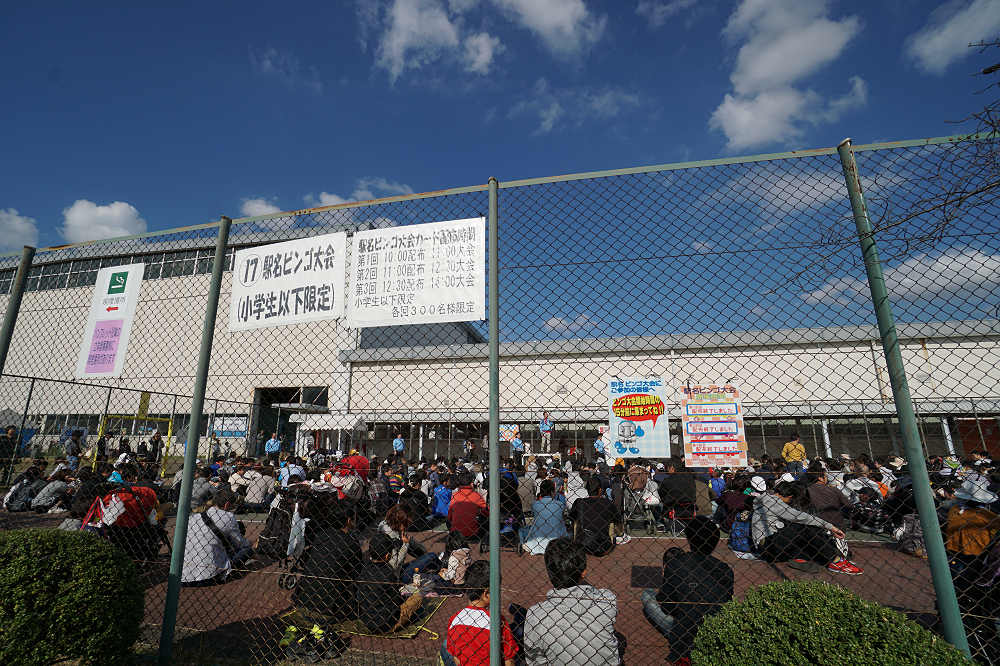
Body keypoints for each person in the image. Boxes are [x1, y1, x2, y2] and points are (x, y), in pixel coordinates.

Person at [642, 516, 734, 663]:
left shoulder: (675, 565)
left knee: (647, 595)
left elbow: (667, 606)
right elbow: (728, 602)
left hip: (682, 631)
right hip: (714, 627)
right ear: (715, 542)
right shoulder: (724, 569)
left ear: (689, 539)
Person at [520, 537, 622, 665]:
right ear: (584, 573)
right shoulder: (607, 600)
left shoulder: (535, 614)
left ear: (549, 572)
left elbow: (535, 660)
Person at [753, 481, 862, 575]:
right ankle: (835, 560)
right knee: (805, 526)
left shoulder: (768, 499)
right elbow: (800, 517)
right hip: (767, 546)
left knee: (807, 532)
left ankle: (805, 557)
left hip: (771, 545)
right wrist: (830, 527)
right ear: (790, 497)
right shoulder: (773, 502)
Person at [292, 499, 363, 622]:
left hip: (304, 600)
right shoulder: (351, 543)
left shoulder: (321, 535)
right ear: (348, 520)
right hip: (330, 607)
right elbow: (357, 573)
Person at [442, 560, 518, 666]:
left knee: (445, 645)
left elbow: (457, 660)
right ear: (486, 593)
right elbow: (509, 660)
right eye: (497, 590)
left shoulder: (455, 619)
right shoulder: (497, 621)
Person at [181, 490, 253, 585]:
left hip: (184, 576)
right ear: (227, 505)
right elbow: (240, 544)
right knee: (248, 549)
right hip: (211, 576)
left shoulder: (194, 517)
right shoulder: (228, 516)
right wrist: (251, 544)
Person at [356, 533, 421, 634]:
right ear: (387, 555)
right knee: (418, 596)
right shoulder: (388, 572)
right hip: (387, 624)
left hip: (367, 621)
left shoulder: (364, 569)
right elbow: (395, 599)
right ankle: (397, 624)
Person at [569, 476, 621, 556]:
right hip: (604, 546)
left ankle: (576, 540)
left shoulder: (579, 502)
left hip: (583, 544)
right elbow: (618, 522)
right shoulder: (607, 503)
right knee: (611, 522)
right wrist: (620, 533)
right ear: (600, 489)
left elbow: (572, 518)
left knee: (575, 520)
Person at [519, 479, 568, 555]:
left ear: (541, 492)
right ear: (552, 492)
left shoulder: (535, 504)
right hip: (557, 539)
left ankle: (526, 544)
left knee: (522, 530)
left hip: (538, 539)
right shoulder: (560, 504)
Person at [806, 461, 850, 528]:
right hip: (836, 523)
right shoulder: (834, 489)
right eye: (825, 476)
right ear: (820, 478)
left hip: (815, 523)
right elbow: (848, 505)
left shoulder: (806, 490)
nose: (827, 478)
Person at [448, 471, 488, 540]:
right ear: (471, 484)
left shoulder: (455, 496)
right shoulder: (476, 496)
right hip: (473, 533)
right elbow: (487, 512)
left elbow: (449, 516)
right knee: (484, 518)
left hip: (456, 533)